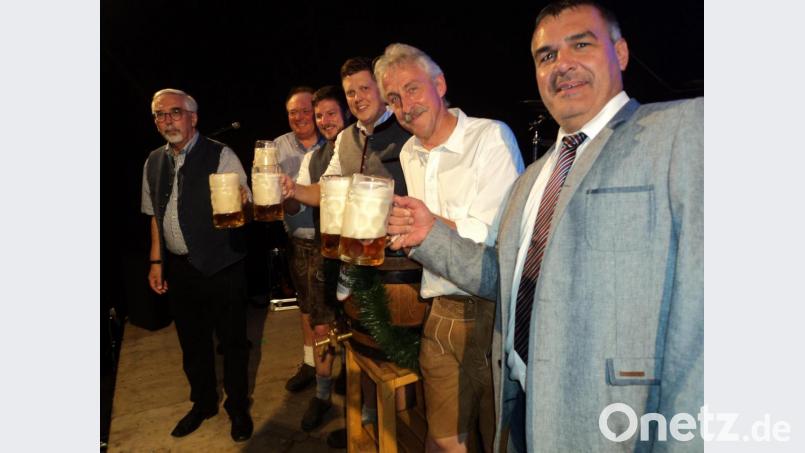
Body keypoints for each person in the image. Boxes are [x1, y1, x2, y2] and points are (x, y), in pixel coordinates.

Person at [388, 2, 703, 452]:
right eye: (546, 56)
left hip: (620, 425)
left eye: (581, 44)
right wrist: (429, 237)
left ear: (621, 52)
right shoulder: (529, 183)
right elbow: (504, 281)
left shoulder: (684, 129)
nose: (563, 64)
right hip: (524, 409)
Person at [374, 43, 524, 453]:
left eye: (413, 89)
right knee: (441, 443)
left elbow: (499, 236)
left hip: (493, 316)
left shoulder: (490, 136)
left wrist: (425, 225)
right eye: (393, 98)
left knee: (501, 440)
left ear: (439, 84)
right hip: (440, 315)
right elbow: (426, 241)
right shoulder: (408, 153)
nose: (405, 105)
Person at [282, 57, 413, 449]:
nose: (357, 98)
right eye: (351, 92)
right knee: (361, 349)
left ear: (382, 88)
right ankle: (368, 425)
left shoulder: (407, 128)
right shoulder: (346, 138)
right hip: (356, 264)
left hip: (401, 268)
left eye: (364, 89)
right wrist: (292, 191)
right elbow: (328, 189)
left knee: (395, 360)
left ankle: (392, 428)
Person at [141, 88, 254, 442]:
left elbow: (245, 205)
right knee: (192, 343)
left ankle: (237, 408)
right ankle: (203, 403)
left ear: (194, 117)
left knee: (233, 342)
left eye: (174, 112)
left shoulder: (222, 155)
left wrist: (244, 203)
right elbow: (155, 217)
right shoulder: (153, 161)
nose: (167, 121)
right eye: (160, 115)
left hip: (222, 265)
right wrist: (156, 260)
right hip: (180, 268)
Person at [285, 85, 353, 431]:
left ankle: (359, 409)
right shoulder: (313, 159)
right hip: (324, 255)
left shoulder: (360, 147)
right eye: (320, 115)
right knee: (323, 328)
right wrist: (284, 193)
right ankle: (323, 396)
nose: (325, 121)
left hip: (358, 257)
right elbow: (300, 200)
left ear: (347, 115)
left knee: (358, 332)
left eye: (331, 114)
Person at [277, 86, 328, 394]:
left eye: (306, 110)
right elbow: (270, 190)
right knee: (307, 307)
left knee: (333, 312)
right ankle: (311, 364)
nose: (299, 117)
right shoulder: (277, 147)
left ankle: (336, 367)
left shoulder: (335, 142)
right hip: (299, 239)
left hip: (331, 239)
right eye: (292, 112)